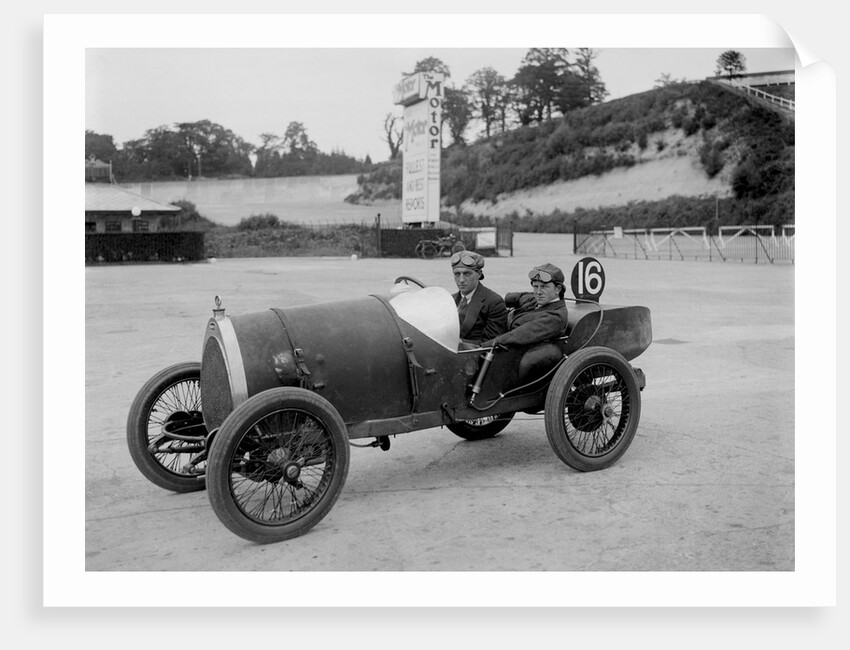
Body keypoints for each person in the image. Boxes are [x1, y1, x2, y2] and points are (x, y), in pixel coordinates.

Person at [480, 263, 569, 348]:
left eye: (544, 287)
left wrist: (483, 346)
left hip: (508, 350)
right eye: (535, 286)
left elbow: (517, 336)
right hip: (496, 335)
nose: (538, 292)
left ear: (558, 289)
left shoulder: (555, 317)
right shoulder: (537, 300)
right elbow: (515, 297)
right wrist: (489, 302)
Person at [450, 250, 507, 348]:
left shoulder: (494, 302)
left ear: (479, 274)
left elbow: (491, 344)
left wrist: (460, 345)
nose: (461, 280)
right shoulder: (450, 300)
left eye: (467, 274)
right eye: (457, 274)